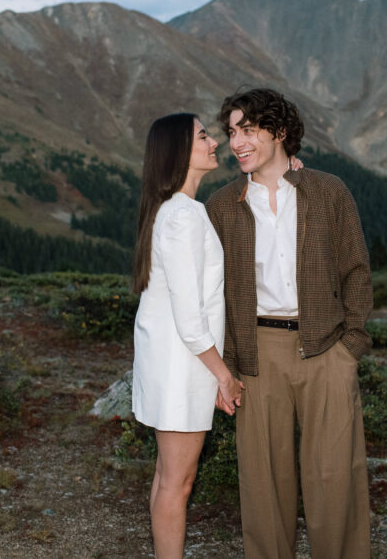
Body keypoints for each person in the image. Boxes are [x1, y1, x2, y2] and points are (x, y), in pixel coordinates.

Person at [205, 88, 373, 559]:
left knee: (334, 478)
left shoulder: (328, 191)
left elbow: (356, 271)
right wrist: (225, 367)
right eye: (232, 131)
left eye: (249, 130)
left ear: (279, 133)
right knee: (263, 486)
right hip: (255, 354)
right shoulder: (223, 205)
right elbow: (209, 291)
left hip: (326, 348)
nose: (236, 142)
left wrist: (350, 349)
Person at [131, 112, 244, 559]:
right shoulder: (185, 216)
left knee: (167, 477)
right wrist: (224, 376)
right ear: (180, 151)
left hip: (170, 361)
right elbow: (190, 316)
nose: (214, 142)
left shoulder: (170, 211)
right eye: (203, 136)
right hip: (183, 367)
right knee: (178, 484)